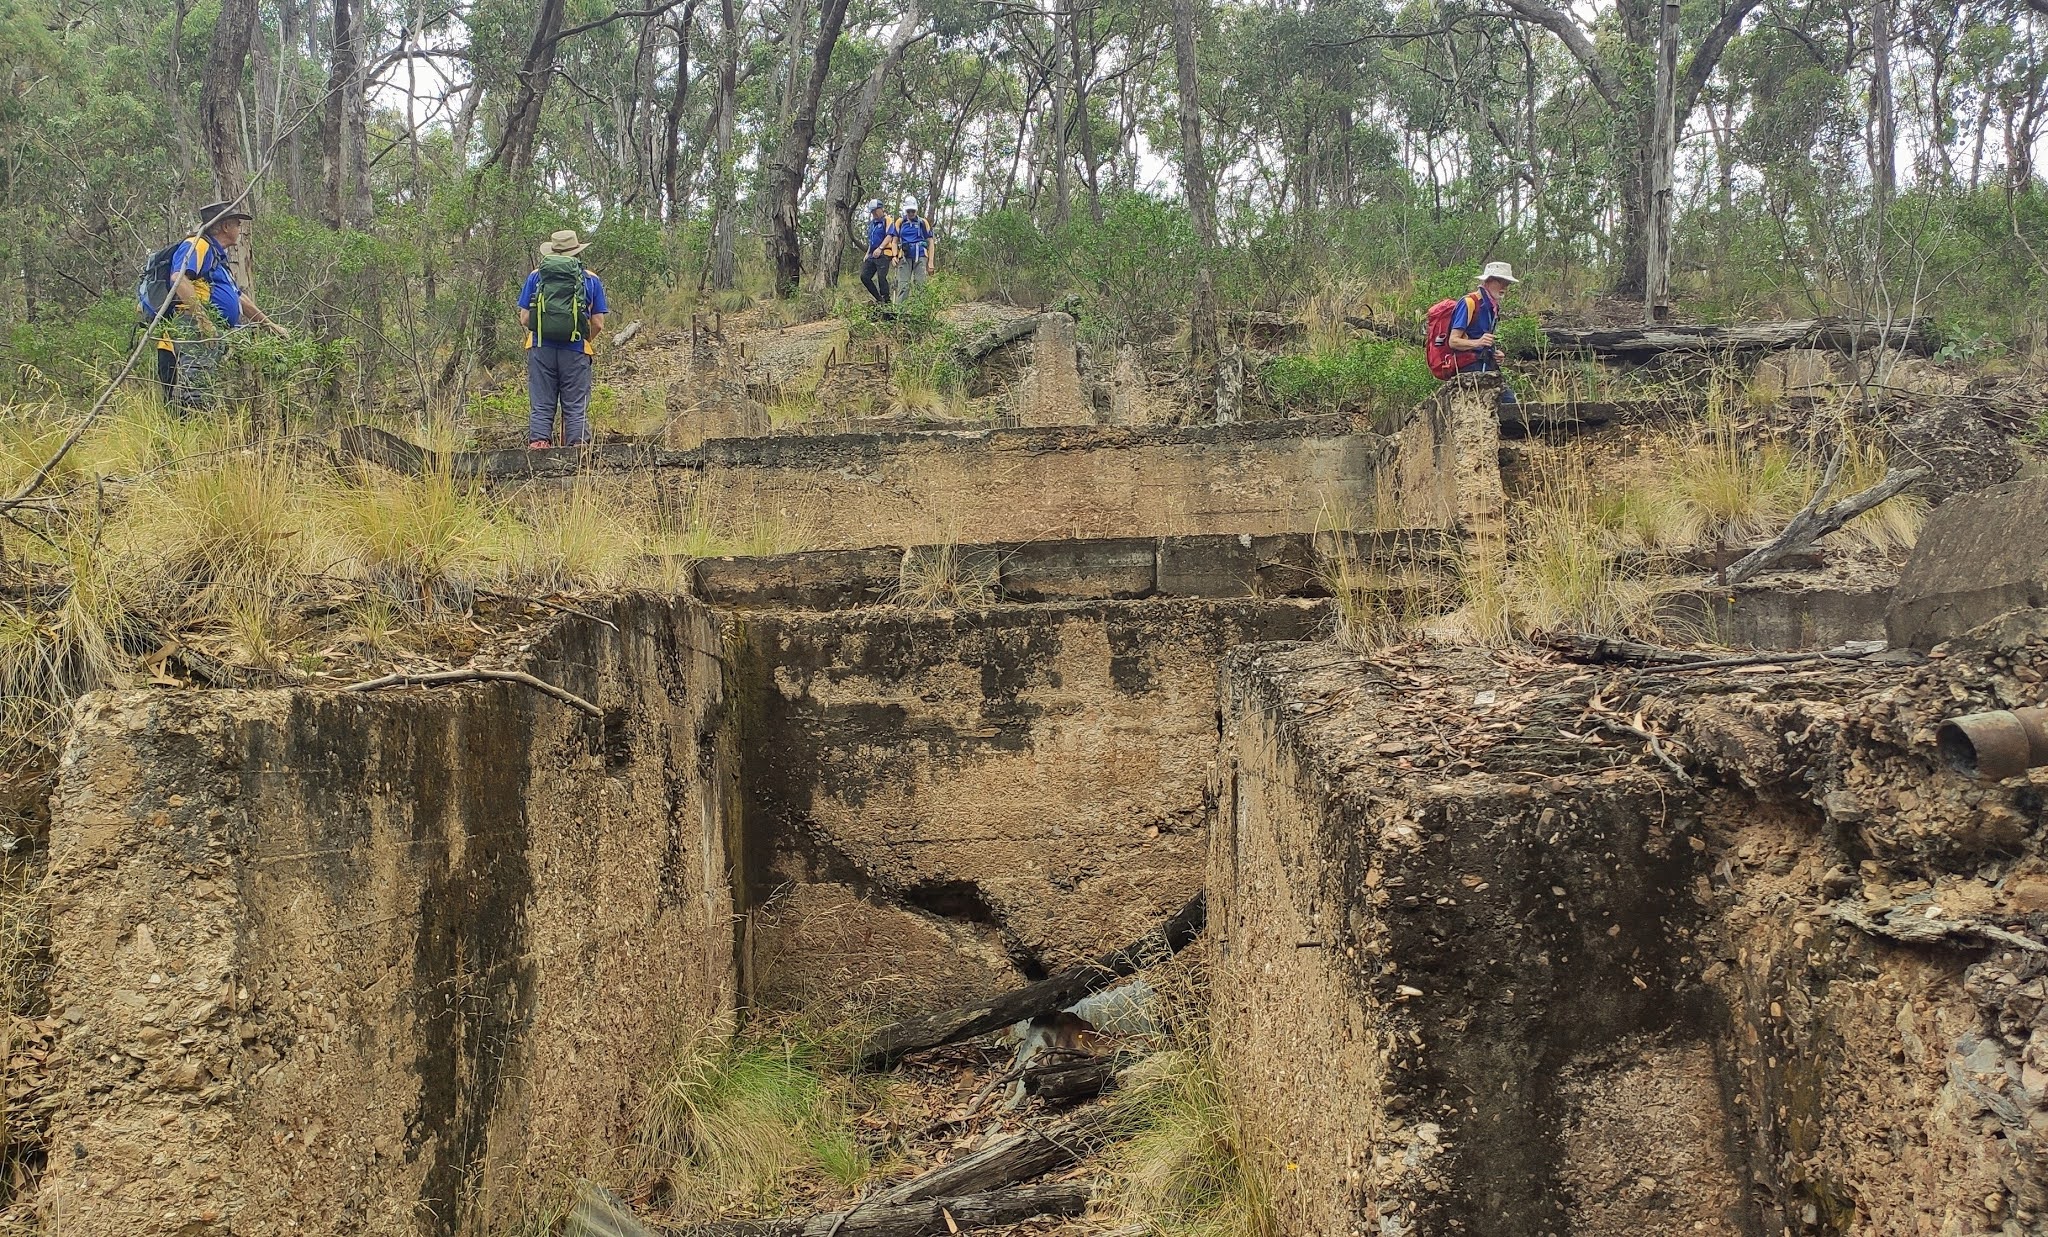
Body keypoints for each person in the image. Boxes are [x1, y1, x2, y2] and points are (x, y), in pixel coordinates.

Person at [156, 201, 289, 410]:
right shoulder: (197, 245)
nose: (240, 229)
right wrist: (203, 320)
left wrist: (270, 326)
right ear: (225, 226)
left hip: (207, 333)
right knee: (194, 394)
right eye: (237, 223)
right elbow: (179, 279)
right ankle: (190, 430)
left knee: (204, 389)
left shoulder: (217, 258)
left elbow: (239, 298)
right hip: (191, 330)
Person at [517, 229, 608, 450]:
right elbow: (598, 323)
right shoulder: (590, 279)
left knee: (541, 403)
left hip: (541, 348)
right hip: (576, 349)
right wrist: (583, 340)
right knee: (575, 405)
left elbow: (525, 318)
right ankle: (577, 451)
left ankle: (539, 446)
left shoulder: (536, 276)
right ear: (576, 251)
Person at [1447, 260, 1517, 405]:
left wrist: (1494, 353)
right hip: (1469, 368)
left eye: (1507, 283)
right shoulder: (1469, 303)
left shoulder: (1493, 307)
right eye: (1501, 282)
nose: (1504, 287)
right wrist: (1478, 343)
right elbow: (1453, 341)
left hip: (1487, 365)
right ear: (1488, 281)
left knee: (1509, 402)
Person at [893, 198, 934, 300]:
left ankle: (920, 308)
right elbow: (894, 241)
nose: (911, 213)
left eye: (913, 211)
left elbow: (931, 242)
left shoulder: (923, 222)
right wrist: (894, 256)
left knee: (920, 285)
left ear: (916, 210)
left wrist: (930, 262)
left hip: (920, 255)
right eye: (908, 211)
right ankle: (900, 309)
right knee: (903, 285)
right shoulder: (900, 222)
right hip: (904, 256)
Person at [859, 199, 895, 306]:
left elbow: (889, 236)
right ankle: (879, 299)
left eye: (875, 211)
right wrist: (867, 253)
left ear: (881, 209)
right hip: (872, 254)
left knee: (881, 277)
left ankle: (886, 302)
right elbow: (871, 240)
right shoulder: (872, 224)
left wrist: (880, 248)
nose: (874, 213)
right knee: (864, 276)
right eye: (872, 211)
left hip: (884, 253)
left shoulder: (887, 220)